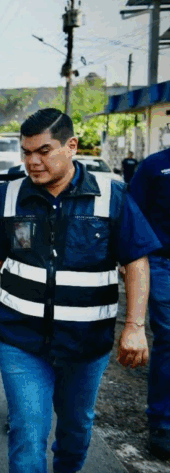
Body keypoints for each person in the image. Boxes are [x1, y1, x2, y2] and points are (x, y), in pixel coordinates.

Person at [0, 108, 160, 473]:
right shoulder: (10, 194)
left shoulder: (110, 194)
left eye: (44, 151)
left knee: (75, 430)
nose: (33, 162)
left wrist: (134, 326)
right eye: (26, 152)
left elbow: (136, 262)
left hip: (86, 343)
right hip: (22, 339)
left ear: (71, 146)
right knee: (26, 431)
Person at [128, 146, 170, 459]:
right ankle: (163, 423)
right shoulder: (154, 166)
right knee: (169, 337)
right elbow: (133, 214)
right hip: (161, 263)